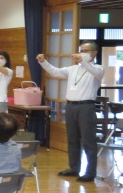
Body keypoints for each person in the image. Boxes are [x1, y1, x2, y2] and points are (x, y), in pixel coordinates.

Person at [37, 42, 104, 182]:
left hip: (86, 107)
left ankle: (90, 172)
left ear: (94, 53)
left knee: (88, 140)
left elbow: (94, 71)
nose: (82, 53)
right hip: (71, 106)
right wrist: (43, 62)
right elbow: (55, 72)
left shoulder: (98, 69)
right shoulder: (73, 69)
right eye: (81, 50)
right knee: (72, 139)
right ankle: (74, 168)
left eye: (86, 51)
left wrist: (82, 61)